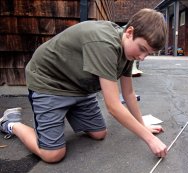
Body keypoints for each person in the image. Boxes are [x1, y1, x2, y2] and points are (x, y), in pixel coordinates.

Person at [0, 8, 168, 163]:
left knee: (99, 134)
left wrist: (141, 125)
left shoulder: (128, 51)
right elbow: (113, 106)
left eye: (148, 54)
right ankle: (11, 124)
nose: (142, 57)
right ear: (129, 32)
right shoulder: (105, 44)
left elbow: (129, 93)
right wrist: (150, 139)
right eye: (142, 49)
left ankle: (67, 111)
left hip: (79, 87)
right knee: (53, 155)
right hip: (50, 83)